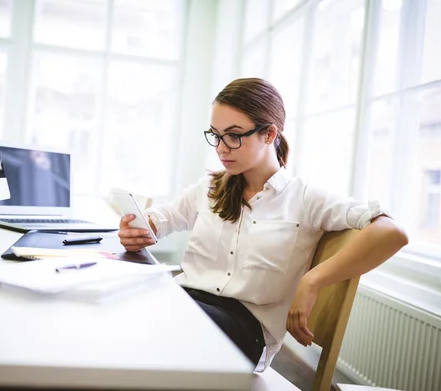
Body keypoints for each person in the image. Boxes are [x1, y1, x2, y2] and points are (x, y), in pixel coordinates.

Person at [117, 78, 408, 371]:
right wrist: (141, 228)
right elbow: (161, 219)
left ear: (269, 134)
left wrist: (312, 280)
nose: (221, 148)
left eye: (233, 135)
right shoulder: (209, 188)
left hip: (245, 331)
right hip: (189, 306)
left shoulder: (305, 198)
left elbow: (392, 232)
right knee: (129, 306)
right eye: (215, 135)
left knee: (145, 319)